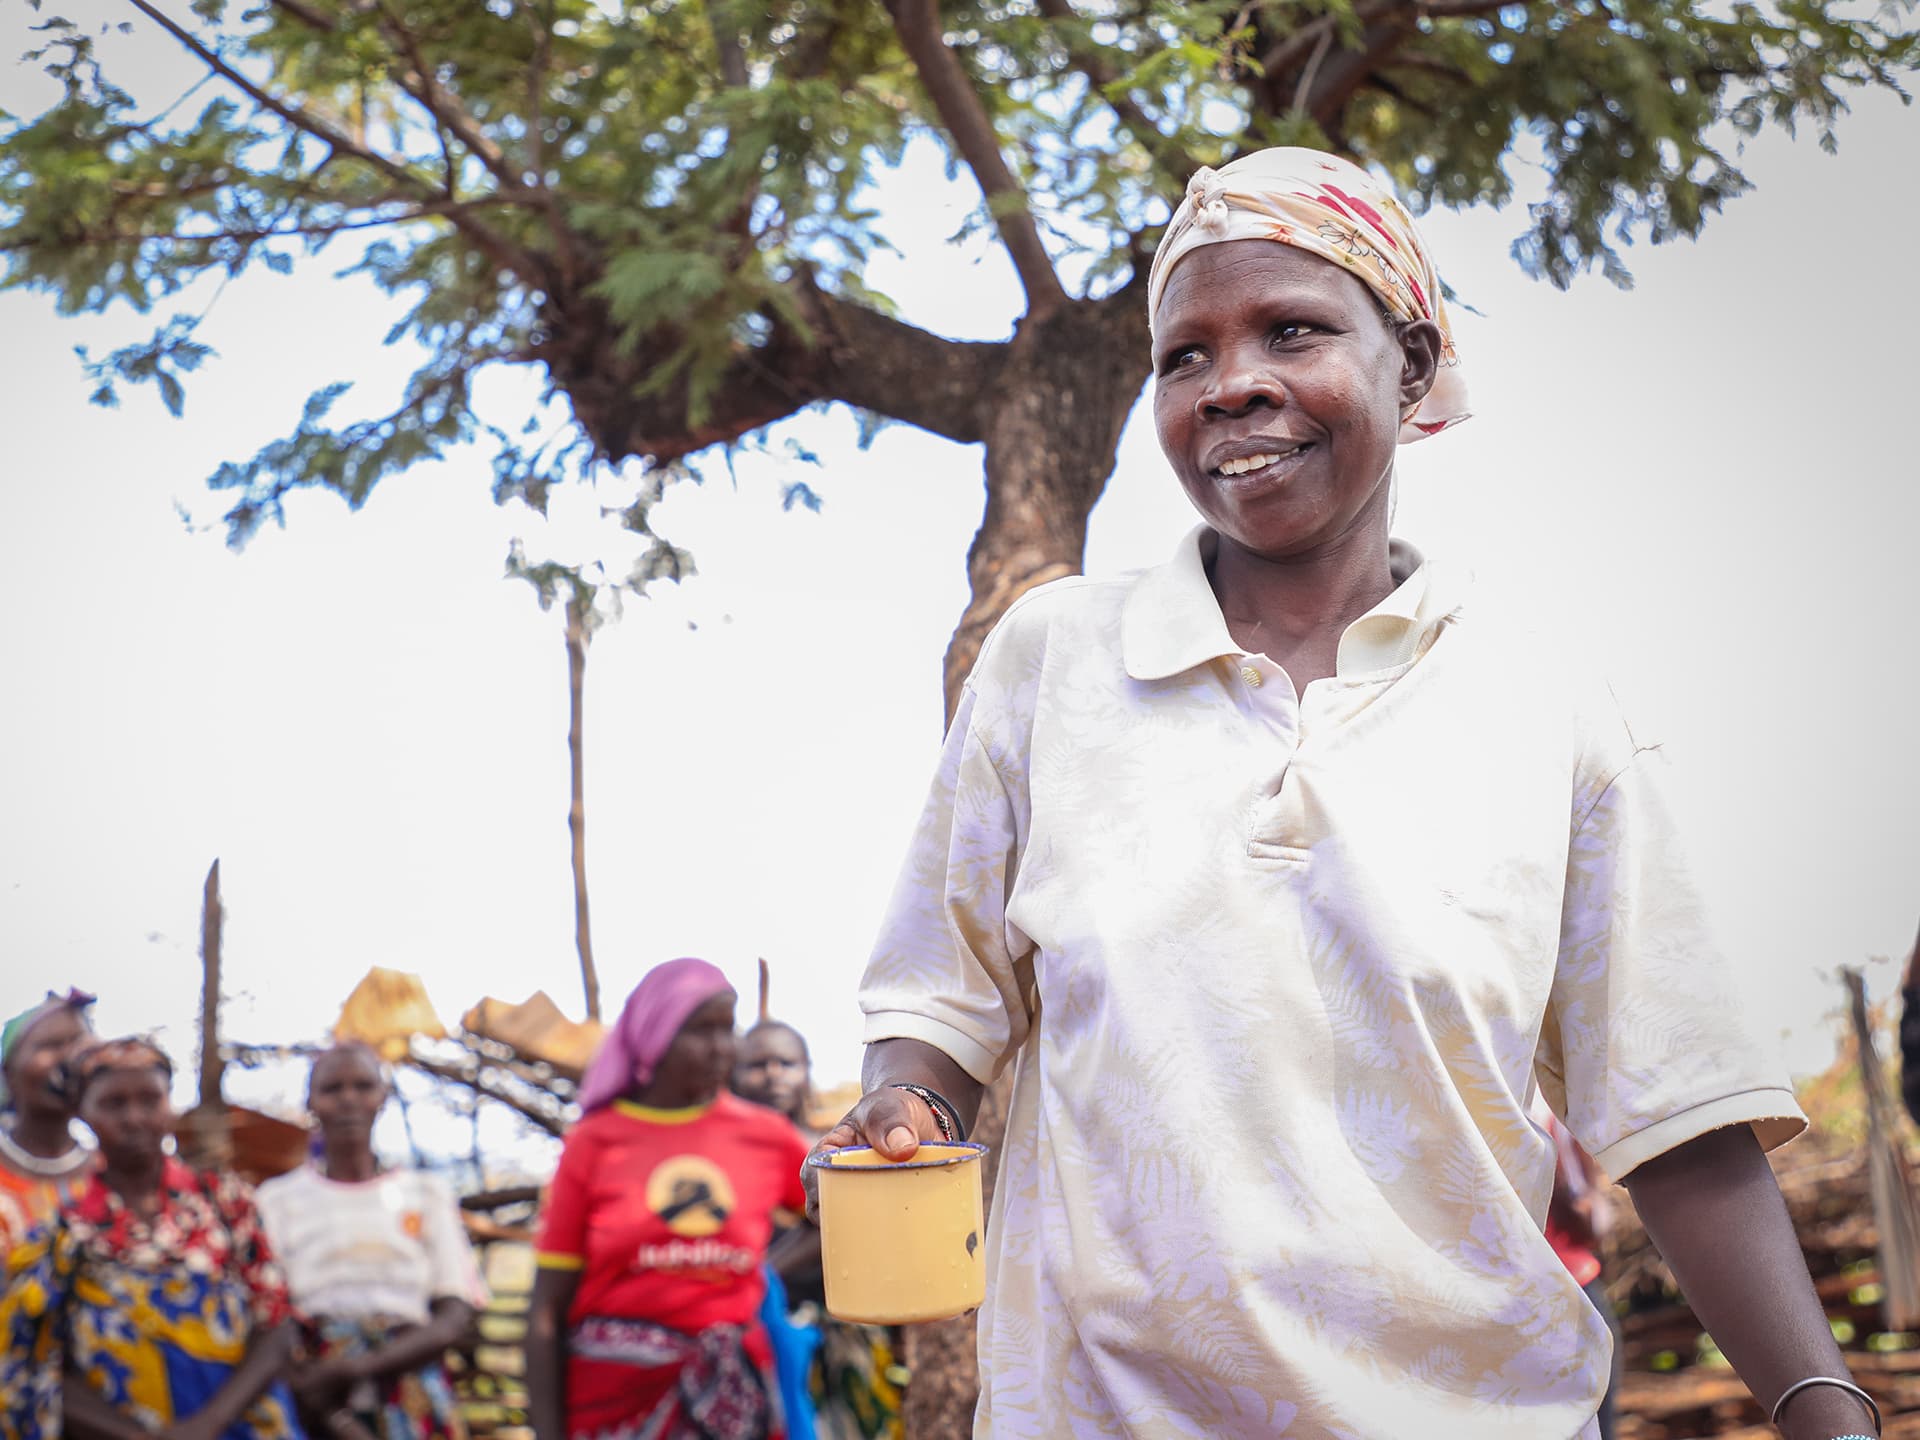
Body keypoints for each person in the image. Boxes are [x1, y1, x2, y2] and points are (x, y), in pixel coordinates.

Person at [815, 148, 1879, 1439]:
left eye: (1292, 330)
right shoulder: (1054, 666)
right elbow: (940, 1001)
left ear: (1414, 363)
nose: (1233, 384)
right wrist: (908, 1103)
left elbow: (1677, 1115)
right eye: (1183, 357)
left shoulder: (1540, 708)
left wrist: (1826, 1405)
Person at [525, 959, 812, 1440]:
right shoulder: (596, 1142)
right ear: (654, 1035)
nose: (722, 1047)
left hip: (731, 1398)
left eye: (728, 1028)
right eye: (701, 1030)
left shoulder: (764, 1136)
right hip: (614, 1399)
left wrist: (766, 1272)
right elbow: (547, 1308)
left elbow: (835, 1212)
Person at [0, 1037, 304, 1440]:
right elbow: (39, 1369)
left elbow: (276, 1327)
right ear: (83, 1114)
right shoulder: (61, 1237)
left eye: (150, 1099)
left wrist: (206, 1425)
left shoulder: (227, 1204)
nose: (134, 1117)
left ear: (169, 1103)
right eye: (113, 1103)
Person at [256, 1043, 487, 1440]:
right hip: (311, 1391)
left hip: (408, 1381)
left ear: (383, 1097)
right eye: (332, 1088)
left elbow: (453, 1313)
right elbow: (267, 1315)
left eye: (363, 1086)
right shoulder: (276, 1200)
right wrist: (323, 1398)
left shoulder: (426, 1194)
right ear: (310, 1101)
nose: (349, 1099)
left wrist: (357, 1368)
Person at [733, 1025, 905, 1440]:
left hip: (842, 1325)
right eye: (757, 1065)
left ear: (806, 1070)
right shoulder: (725, 1158)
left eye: (786, 1063)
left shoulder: (833, 1151)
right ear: (734, 1074)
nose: (774, 1074)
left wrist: (757, 1280)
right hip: (755, 1333)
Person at [0, 990, 96, 1257]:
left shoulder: (115, 1170)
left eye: (79, 1044)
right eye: (51, 1046)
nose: (69, 1060)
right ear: (8, 1071)